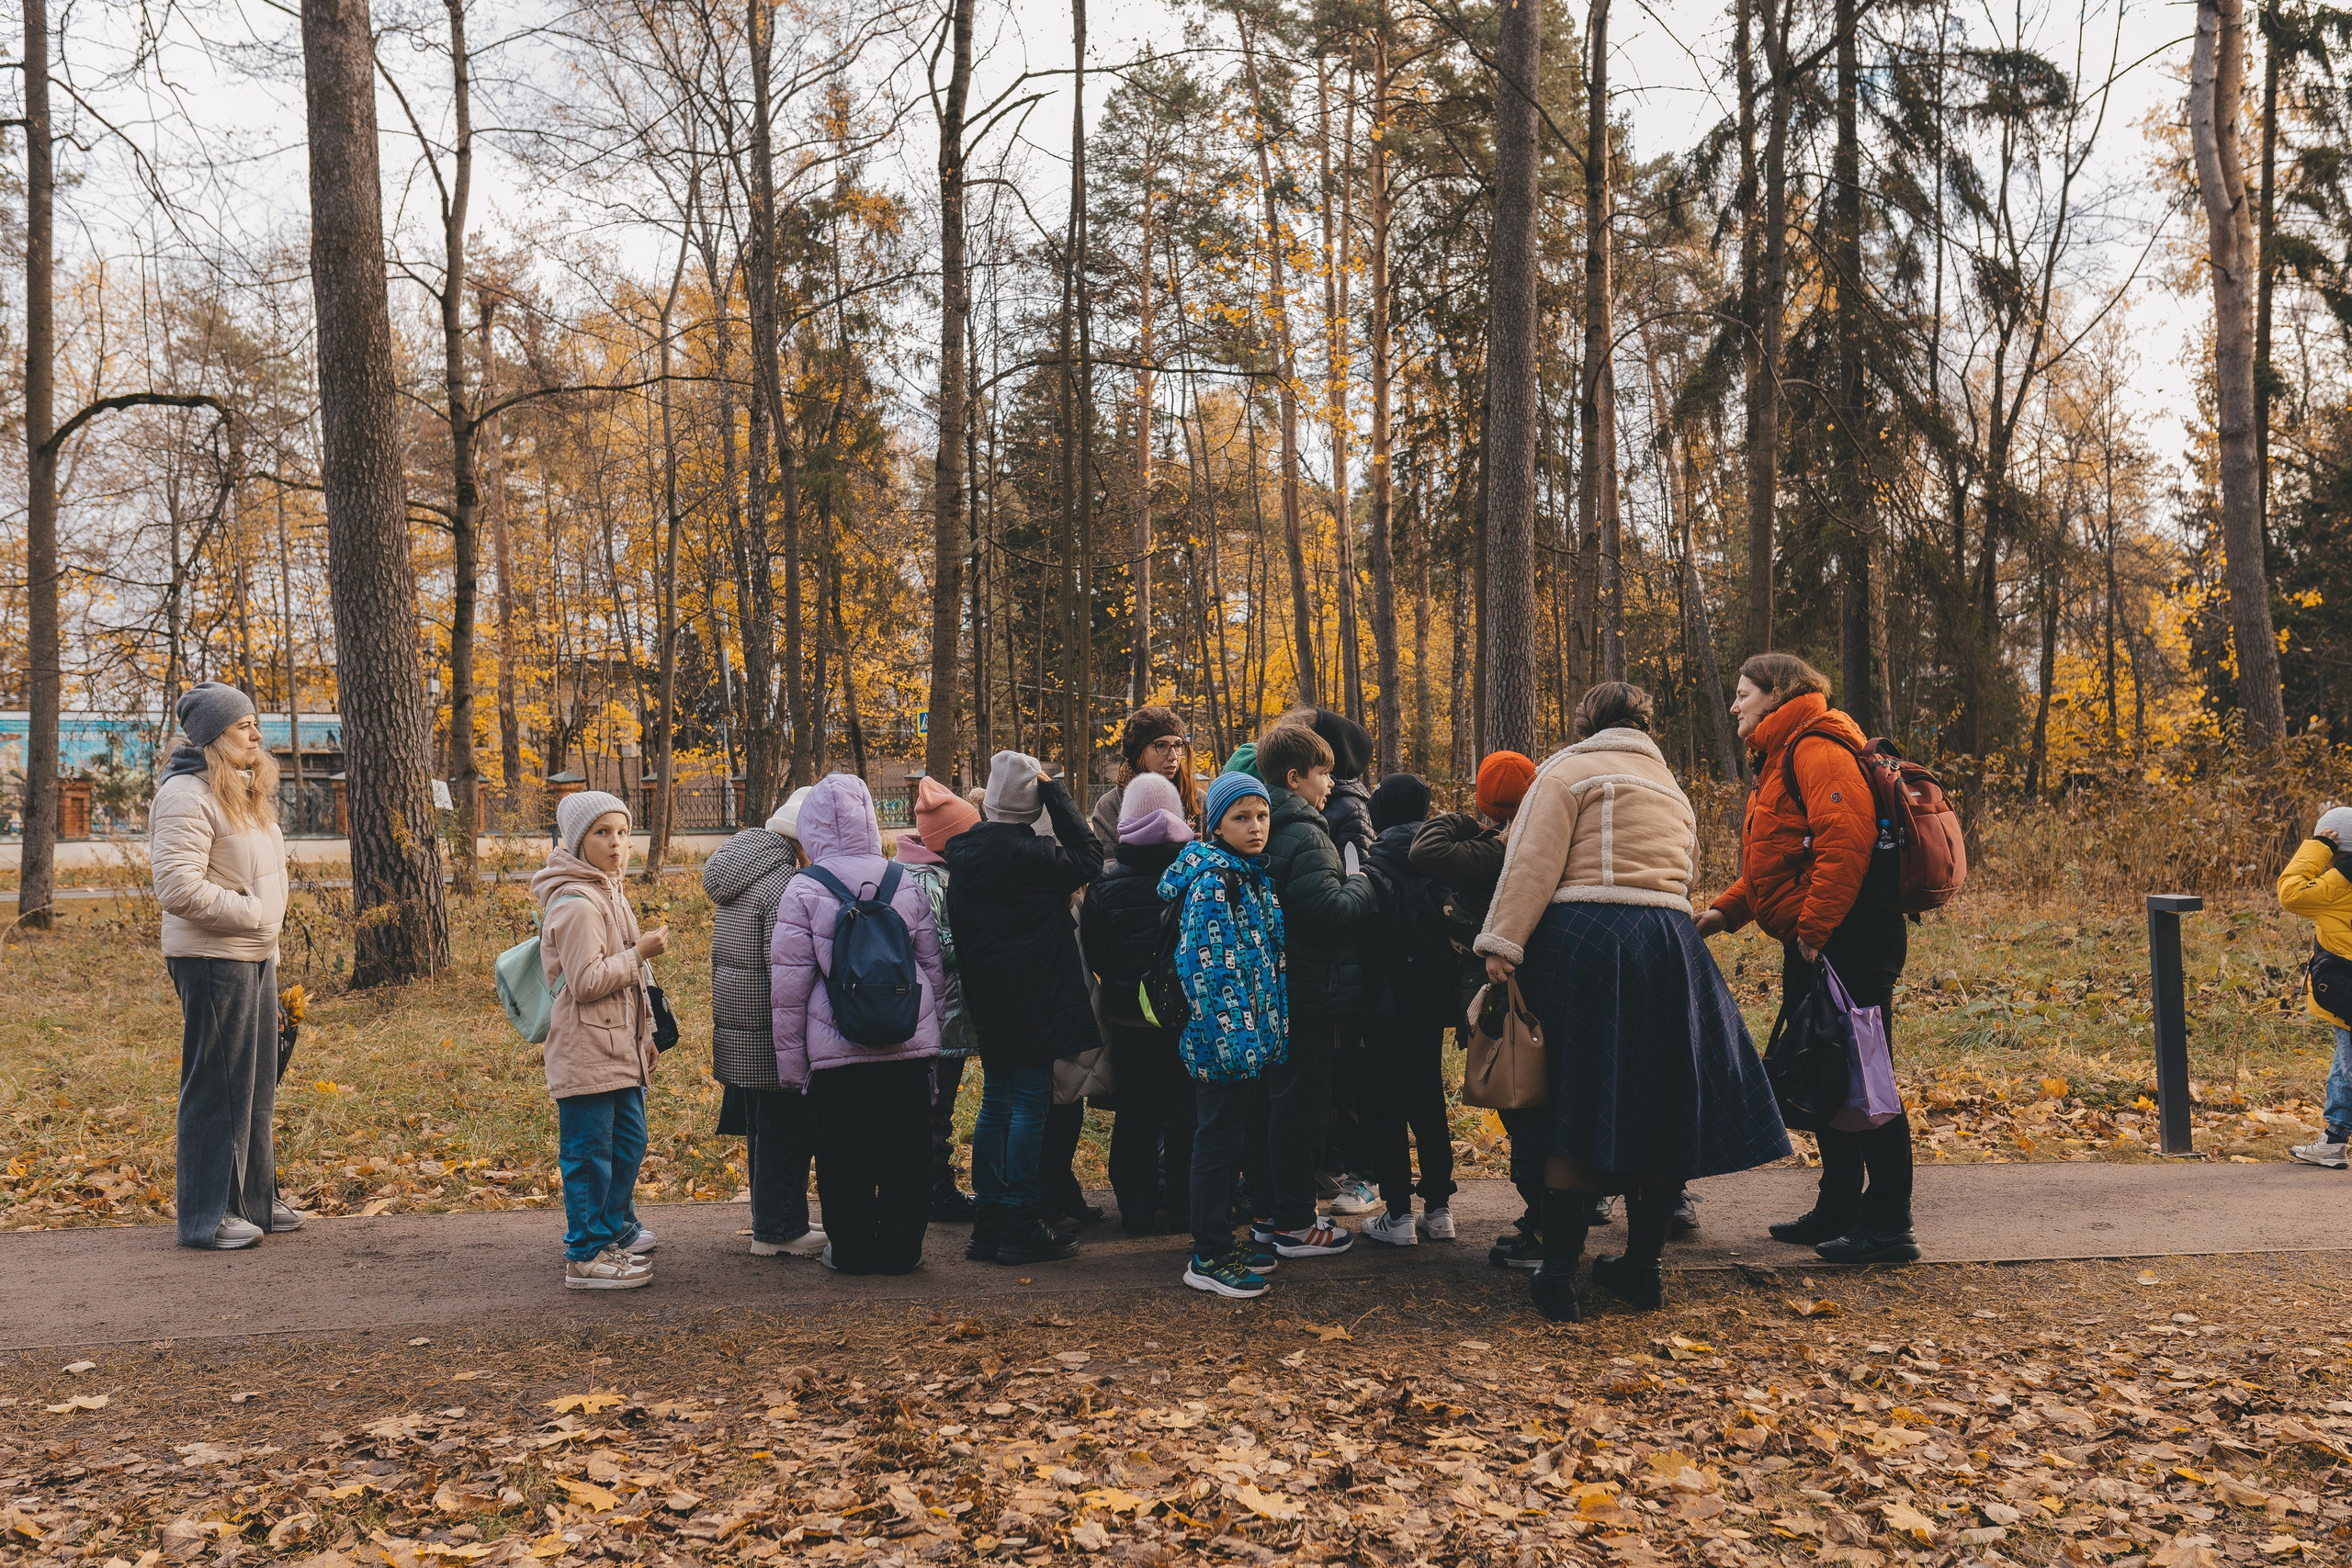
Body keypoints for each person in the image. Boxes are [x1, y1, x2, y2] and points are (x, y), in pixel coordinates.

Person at [1478, 682, 1789, 1320]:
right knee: (1659, 1103)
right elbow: (1685, 872)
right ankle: (1642, 1273)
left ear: (1586, 721)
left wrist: (1502, 944)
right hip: (1669, 945)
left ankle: (1558, 1277)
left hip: (1585, 939)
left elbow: (1530, 861)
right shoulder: (1671, 787)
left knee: (1574, 1096)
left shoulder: (1569, 770)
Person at [1694, 651, 1916, 1264]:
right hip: (1822, 940)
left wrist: (1815, 931)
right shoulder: (1783, 754)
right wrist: (1723, 912)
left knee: (1866, 1077)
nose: (1735, 705)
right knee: (1828, 1070)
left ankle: (1891, 1223)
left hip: (1849, 941)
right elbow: (1780, 861)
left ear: (1778, 693)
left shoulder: (1815, 749)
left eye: (1744, 694)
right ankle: (1839, 1206)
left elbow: (1848, 842)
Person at [771, 773, 947, 1275]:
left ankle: (850, 1249)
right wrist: (930, 1039)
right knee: (907, 1149)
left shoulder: (804, 887)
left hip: (836, 1049)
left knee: (843, 1152)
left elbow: (788, 987)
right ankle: (902, 1250)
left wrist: (793, 1064)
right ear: (869, 818)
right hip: (905, 1042)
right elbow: (932, 968)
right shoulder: (904, 881)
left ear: (813, 827)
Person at [944, 750, 1104, 1266]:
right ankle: (1020, 1222)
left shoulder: (962, 855)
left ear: (989, 801)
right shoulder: (1036, 859)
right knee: (1028, 1109)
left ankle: (989, 1221)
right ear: (1032, 803)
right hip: (1038, 1002)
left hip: (989, 1000)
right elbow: (1091, 856)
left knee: (996, 1105)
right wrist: (1054, 793)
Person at [151, 682, 294, 1251]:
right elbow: (177, 886)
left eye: (256, 723)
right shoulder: (188, 794)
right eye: (243, 726)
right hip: (211, 956)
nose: (256, 735)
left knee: (256, 1083)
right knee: (217, 1086)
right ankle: (206, 1217)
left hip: (252, 953)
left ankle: (255, 1202)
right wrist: (254, 915)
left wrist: (268, 941)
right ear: (213, 736)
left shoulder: (242, 791)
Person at [1411, 749, 1555, 1268]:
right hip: (1545, 988)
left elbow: (1424, 849)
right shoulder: (1545, 842)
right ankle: (1556, 1213)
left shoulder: (1489, 852)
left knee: (1519, 1105)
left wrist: (1463, 818)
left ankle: (1544, 1225)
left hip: (1499, 998)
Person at [1248, 722, 1379, 1258]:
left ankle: (1265, 1215)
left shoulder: (1254, 823)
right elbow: (1329, 910)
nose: (1331, 784)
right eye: (1324, 773)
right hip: (1307, 991)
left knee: (1267, 1106)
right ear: (1296, 777)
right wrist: (1364, 879)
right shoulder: (1304, 831)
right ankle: (1297, 1224)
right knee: (1302, 1107)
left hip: (1268, 992)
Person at [534, 790, 670, 1290]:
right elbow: (587, 982)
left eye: (623, 832)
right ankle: (586, 1255)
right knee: (589, 1154)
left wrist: (648, 1034)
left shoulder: (610, 892)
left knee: (629, 1142)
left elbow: (635, 983)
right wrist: (639, 952)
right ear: (578, 841)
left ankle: (614, 1230)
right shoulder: (577, 904)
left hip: (619, 1046)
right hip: (586, 1050)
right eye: (603, 833)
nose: (617, 844)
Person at [1166, 771, 1289, 1299]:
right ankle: (1208, 1255)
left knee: (1230, 1139)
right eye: (1241, 818)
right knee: (1215, 1144)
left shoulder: (1251, 874)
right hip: (1223, 1042)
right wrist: (1234, 1039)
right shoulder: (1218, 881)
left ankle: (1220, 1241)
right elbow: (1208, 969)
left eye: (1262, 816)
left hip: (1248, 1038)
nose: (1256, 827)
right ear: (1216, 824)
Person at [703, 798, 826, 1258]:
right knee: (786, 1129)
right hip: (774, 1029)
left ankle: (774, 1217)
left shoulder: (743, 871)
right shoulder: (784, 884)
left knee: (763, 1126)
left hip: (741, 1022)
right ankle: (778, 1231)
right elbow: (788, 968)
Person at [1080, 772, 1199, 1233]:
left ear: (1125, 821)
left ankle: (1135, 1210)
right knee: (1185, 1113)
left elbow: (1096, 952)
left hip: (1128, 1017)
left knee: (1135, 1115)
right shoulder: (1194, 878)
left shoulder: (1106, 885)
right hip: (1185, 1017)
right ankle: (1186, 1206)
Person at [1357, 773, 1460, 1246]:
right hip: (1431, 1003)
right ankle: (1438, 1209)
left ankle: (1397, 1214)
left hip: (1382, 1005)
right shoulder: (1443, 861)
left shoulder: (1373, 863)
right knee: (1428, 1100)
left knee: (1385, 1105)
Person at [897, 777, 983, 1215]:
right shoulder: (932, 881)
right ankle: (933, 1187)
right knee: (935, 1104)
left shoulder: (918, 872)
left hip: (935, 1010)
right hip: (940, 1012)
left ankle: (930, 1182)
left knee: (933, 1102)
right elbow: (937, 946)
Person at [2281, 805, 2352, 1168]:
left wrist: (2317, 847)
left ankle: (2334, 1141)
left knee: (2346, 1067)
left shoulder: (2339, 883)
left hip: (2347, 988)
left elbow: (2291, 893)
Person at [1090, 705, 1202, 852]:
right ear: (1138, 752)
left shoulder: (1198, 799)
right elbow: (1107, 868)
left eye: (1179, 745)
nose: (1174, 756)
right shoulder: (1110, 806)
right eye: (1161, 745)